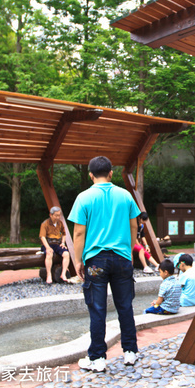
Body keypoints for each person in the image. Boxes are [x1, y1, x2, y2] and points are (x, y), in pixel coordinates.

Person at [68, 156, 141, 372]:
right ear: (111, 173)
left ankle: (98, 358)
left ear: (91, 175)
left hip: (96, 260)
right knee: (125, 306)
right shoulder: (125, 195)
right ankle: (130, 352)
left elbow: (79, 233)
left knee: (98, 309)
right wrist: (129, 251)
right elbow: (134, 226)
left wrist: (78, 260)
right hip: (122, 258)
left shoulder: (83, 197)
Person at [39, 206, 70, 284]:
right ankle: (49, 274)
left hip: (57, 244)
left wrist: (63, 242)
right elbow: (42, 237)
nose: (58, 217)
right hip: (48, 243)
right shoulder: (45, 224)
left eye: (59, 215)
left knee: (66, 254)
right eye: (56, 215)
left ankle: (63, 274)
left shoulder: (60, 223)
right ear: (51, 215)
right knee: (49, 254)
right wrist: (47, 247)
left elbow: (64, 234)